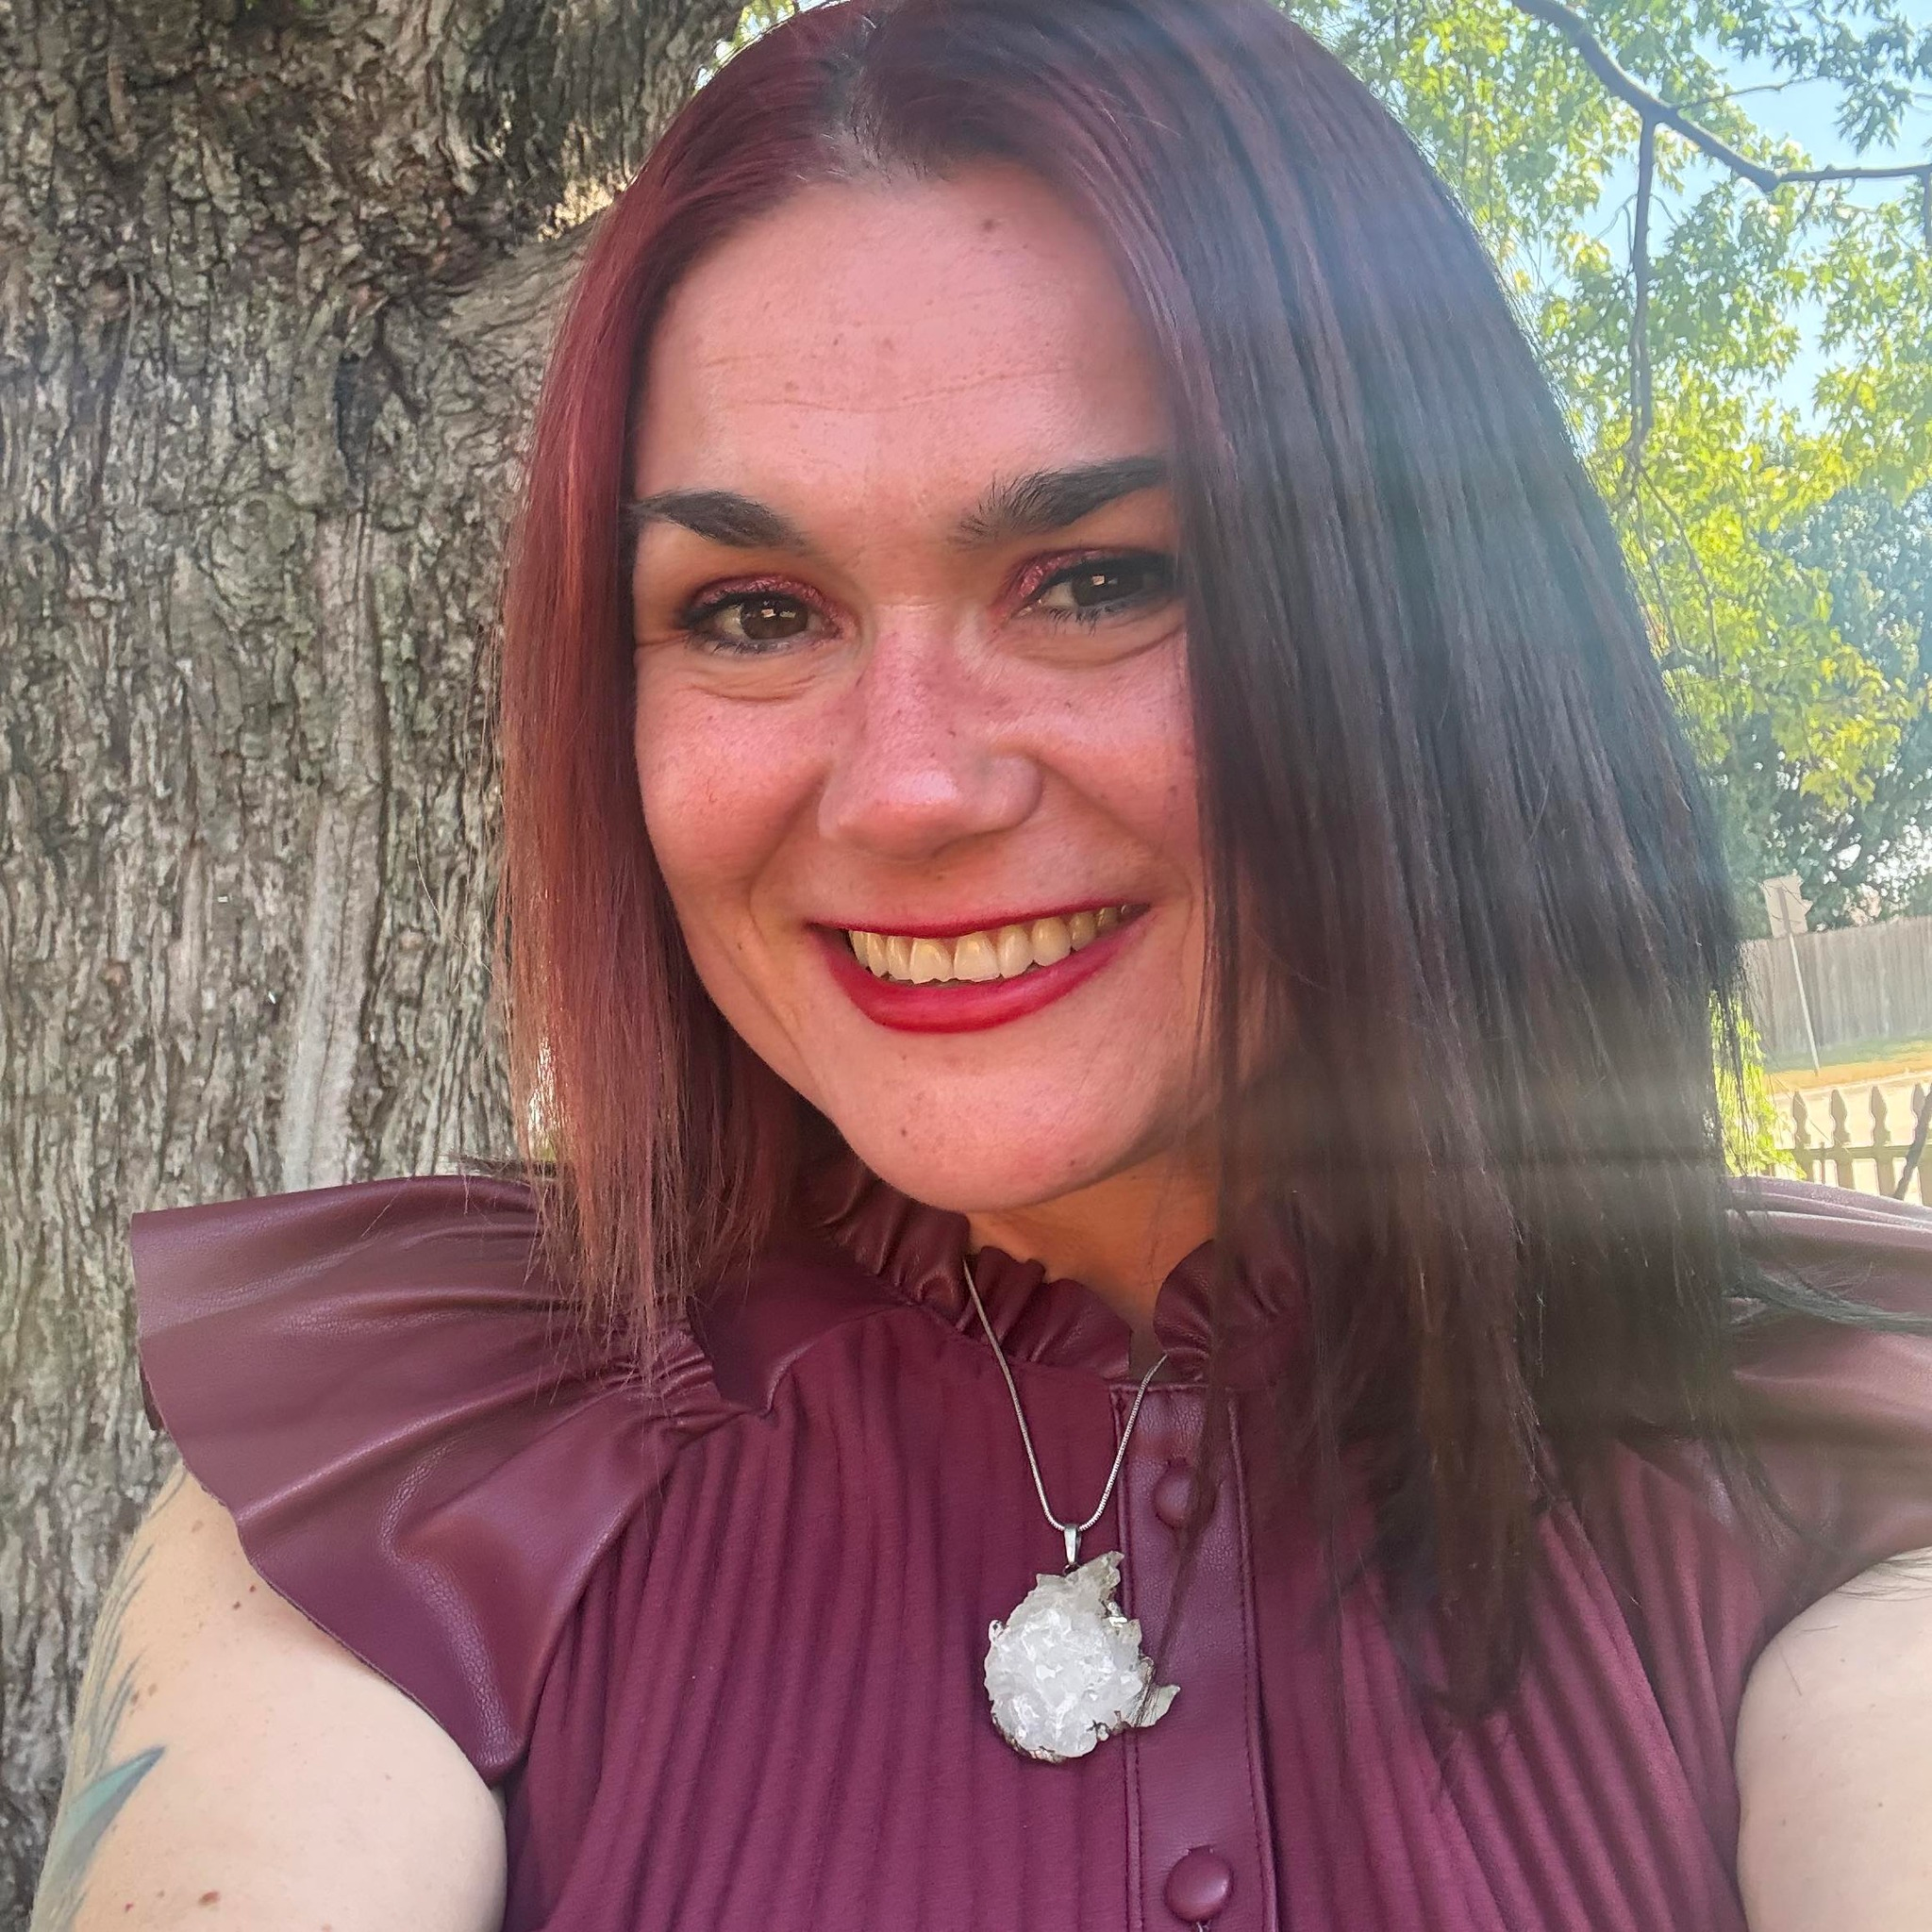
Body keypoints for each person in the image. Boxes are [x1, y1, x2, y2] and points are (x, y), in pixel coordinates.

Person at [32, 2, 1932, 1927]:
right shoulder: (410, 1474)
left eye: (1101, 578)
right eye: (753, 612)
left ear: (1434, 630)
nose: (908, 789)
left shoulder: (1853, 1449)